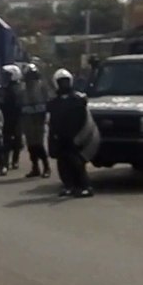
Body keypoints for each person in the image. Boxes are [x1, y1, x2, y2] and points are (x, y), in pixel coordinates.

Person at [47, 69, 95, 198]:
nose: (64, 85)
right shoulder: (53, 102)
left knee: (77, 163)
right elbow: (51, 121)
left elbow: (85, 119)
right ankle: (68, 186)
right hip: (60, 137)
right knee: (62, 164)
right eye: (61, 82)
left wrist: (82, 136)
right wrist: (52, 137)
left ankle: (86, 186)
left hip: (76, 137)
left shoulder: (78, 99)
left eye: (66, 82)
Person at [20, 64, 52, 179]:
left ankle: (46, 167)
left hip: (38, 118)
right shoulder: (23, 89)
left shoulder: (42, 87)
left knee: (38, 144)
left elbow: (48, 102)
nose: (31, 79)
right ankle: (35, 167)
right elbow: (20, 104)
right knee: (31, 145)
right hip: (27, 119)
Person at [0, 65, 24, 172]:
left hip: (17, 117)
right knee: (6, 141)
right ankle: (5, 163)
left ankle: (15, 160)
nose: (5, 77)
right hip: (7, 117)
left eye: (8, 75)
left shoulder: (19, 88)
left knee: (17, 140)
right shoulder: (4, 88)